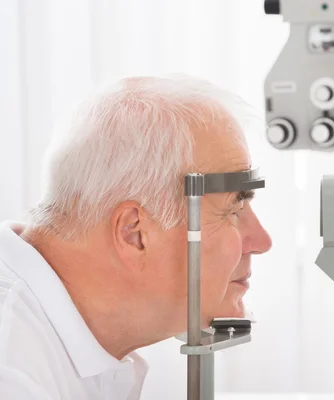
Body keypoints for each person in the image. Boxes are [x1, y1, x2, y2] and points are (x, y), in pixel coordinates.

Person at [0, 75, 273, 399]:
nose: (263, 240)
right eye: (232, 210)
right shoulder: (13, 368)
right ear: (135, 233)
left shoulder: (55, 338)